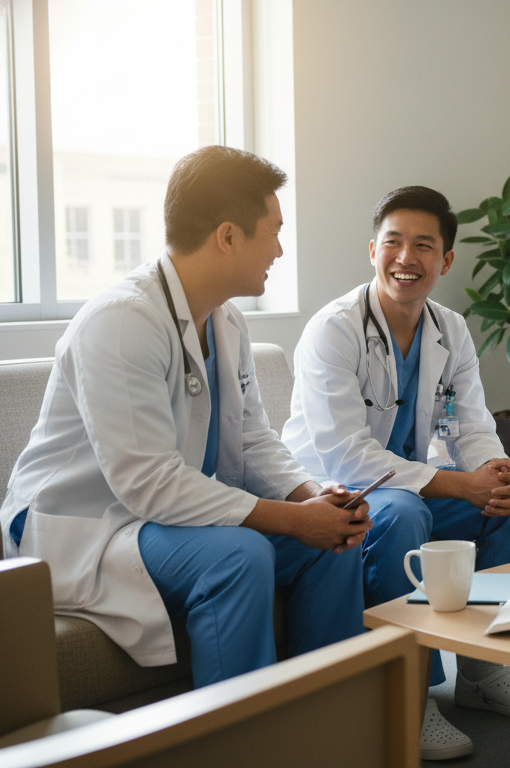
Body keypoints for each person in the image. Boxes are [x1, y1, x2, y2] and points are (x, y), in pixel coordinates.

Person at [0, 145, 369, 694]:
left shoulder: (226, 320)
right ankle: (241, 746)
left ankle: (327, 720)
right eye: (272, 231)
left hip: (153, 518)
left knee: (337, 541)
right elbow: (148, 481)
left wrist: (311, 497)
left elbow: (253, 439)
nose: (280, 249)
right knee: (240, 556)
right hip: (81, 526)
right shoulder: (121, 321)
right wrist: (291, 520)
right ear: (227, 235)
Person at [282, 185, 510, 760]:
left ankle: (484, 672)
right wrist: (461, 482)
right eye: (393, 243)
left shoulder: (449, 328)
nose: (406, 258)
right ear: (372, 249)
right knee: (404, 513)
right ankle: (412, 694)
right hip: (338, 489)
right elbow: (346, 455)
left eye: (423, 246)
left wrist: (494, 470)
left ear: (445, 260)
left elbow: (473, 424)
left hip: (414, 481)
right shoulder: (333, 329)